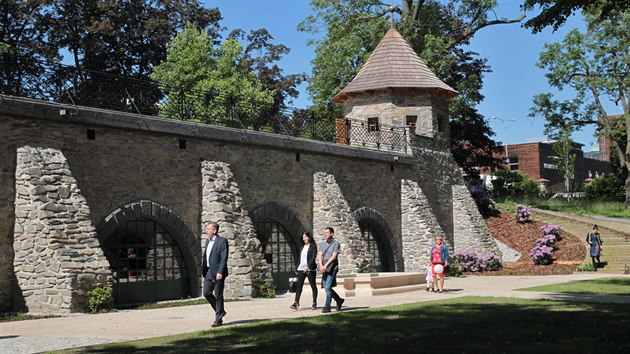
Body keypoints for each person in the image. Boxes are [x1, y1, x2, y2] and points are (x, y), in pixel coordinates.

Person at [202, 222, 229, 327]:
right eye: (206, 229)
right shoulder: (207, 242)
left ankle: (218, 320)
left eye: (208, 229)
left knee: (218, 295)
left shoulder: (222, 241)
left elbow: (224, 258)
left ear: (215, 230)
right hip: (208, 272)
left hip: (218, 272)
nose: (206, 230)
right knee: (206, 293)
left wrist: (220, 272)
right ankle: (220, 311)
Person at [290, 231, 318, 310]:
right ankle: (296, 302)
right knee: (299, 286)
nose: (304, 239)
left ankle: (314, 302)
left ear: (309, 237)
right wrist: (298, 266)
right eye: (303, 237)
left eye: (305, 237)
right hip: (301, 268)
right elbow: (300, 257)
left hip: (309, 269)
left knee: (313, 285)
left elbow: (313, 257)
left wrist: (308, 266)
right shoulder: (302, 246)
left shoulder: (313, 246)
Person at [318, 227, 344, 313]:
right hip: (324, 267)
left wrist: (325, 265)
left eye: (327, 232)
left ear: (332, 233)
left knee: (328, 287)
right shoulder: (322, 244)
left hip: (332, 267)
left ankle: (327, 306)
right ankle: (339, 300)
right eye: (324, 232)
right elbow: (320, 255)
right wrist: (321, 265)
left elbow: (334, 256)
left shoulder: (336, 244)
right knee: (326, 287)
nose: (325, 234)